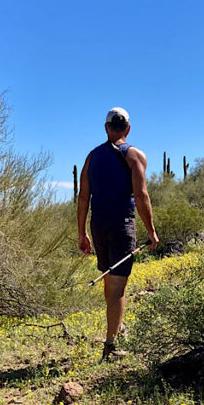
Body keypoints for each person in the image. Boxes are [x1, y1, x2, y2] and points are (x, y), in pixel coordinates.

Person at [77, 107, 159, 360]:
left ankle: (116, 326)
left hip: (98, 225)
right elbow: (141, 194)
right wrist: (151, 231)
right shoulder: (134, 155)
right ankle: (110, 345)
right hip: (122, 224)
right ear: (128, 128)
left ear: (106, 128)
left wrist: (82, 233)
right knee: (118, 288)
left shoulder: (92, 157)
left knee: (108, 279)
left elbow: (83, 197)